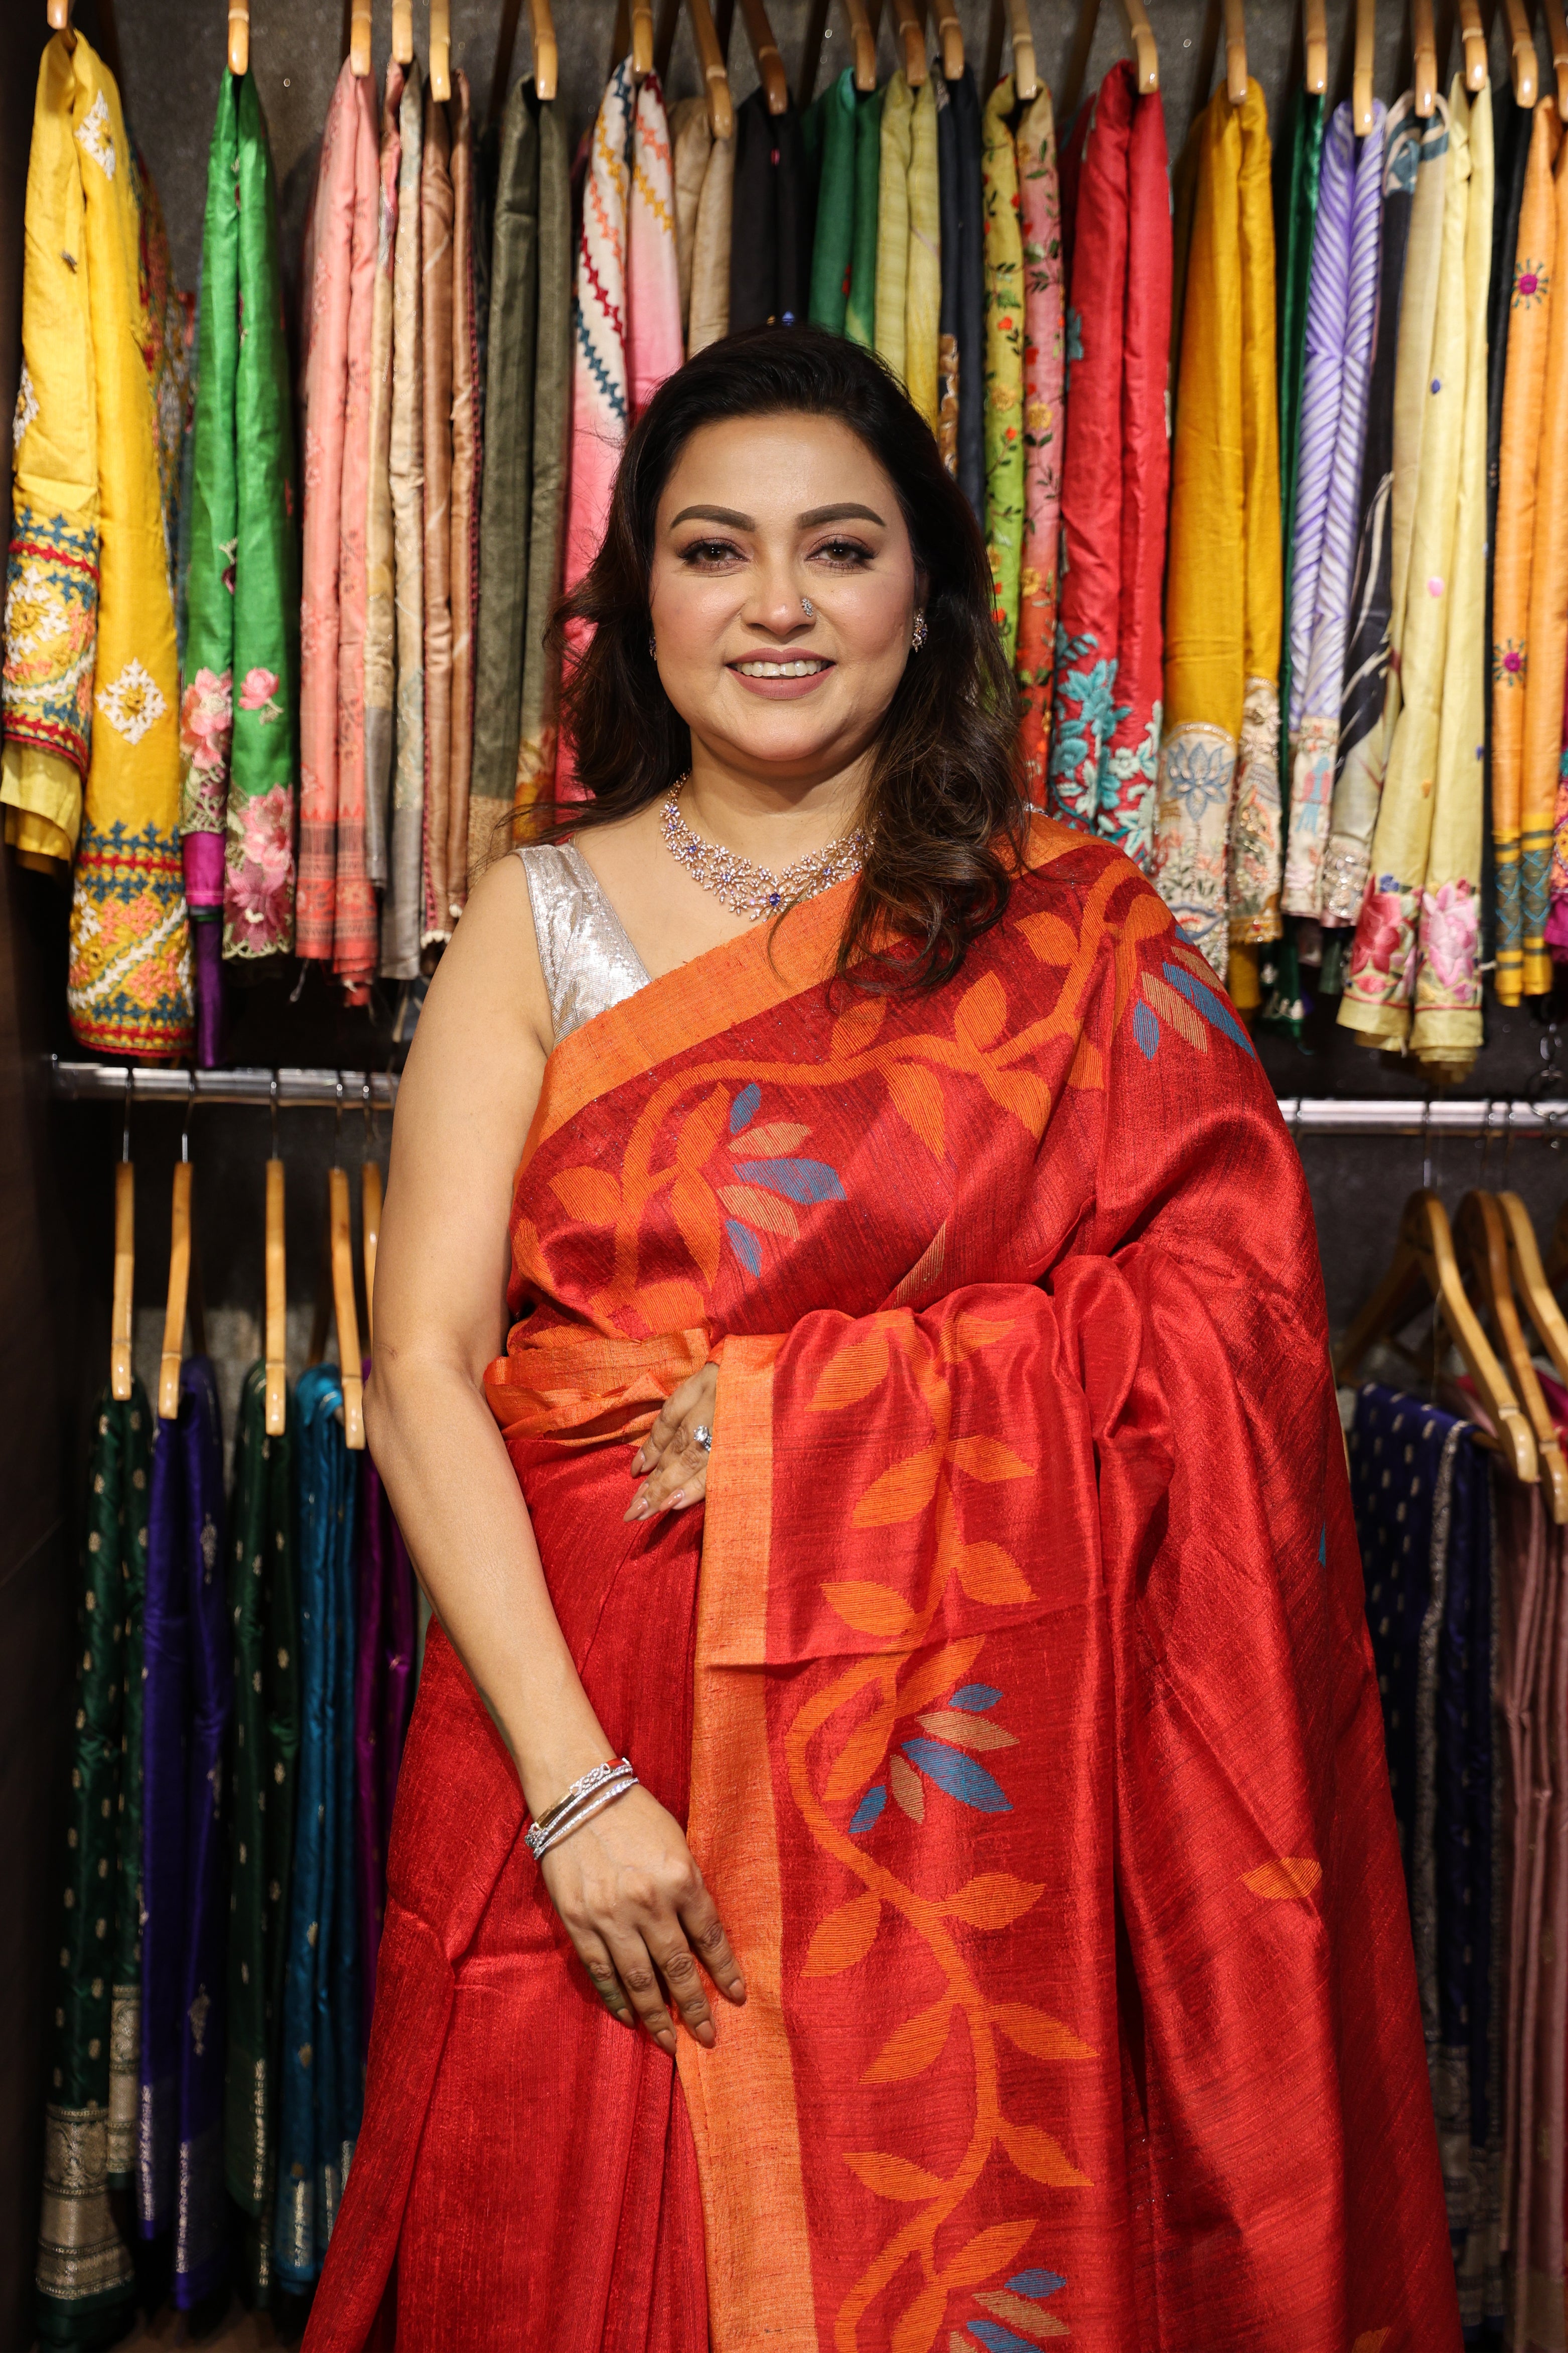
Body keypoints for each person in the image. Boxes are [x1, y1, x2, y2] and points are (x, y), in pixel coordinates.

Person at [304, 326, 1457, 2351]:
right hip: (594, 1718)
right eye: (709, 549)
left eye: (835, 550)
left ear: (920, 594)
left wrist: (802, 1415)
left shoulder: (1063, 924)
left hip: (961, 1778)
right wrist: (577, 1797)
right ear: (634, 594)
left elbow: (1239, 1324)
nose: (771, 606)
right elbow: (418, 1368)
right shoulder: (538, 914)